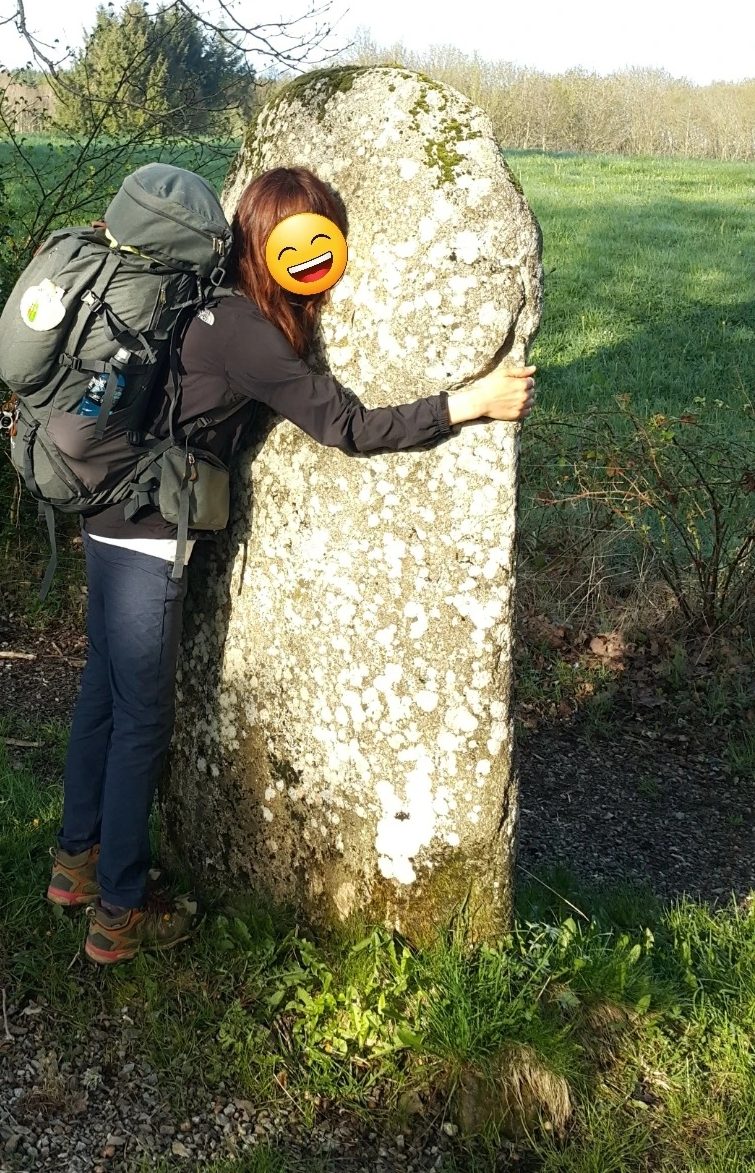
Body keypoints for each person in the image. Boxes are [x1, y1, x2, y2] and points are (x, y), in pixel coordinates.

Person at [46, 166, 535, 965]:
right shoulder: (249, 334)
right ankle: (120, 913)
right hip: (147, 534)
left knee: (102, 692)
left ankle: (75, 864)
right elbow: (350, 426)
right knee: (142, 722)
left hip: (103, 511)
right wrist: (469, 403)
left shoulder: (200, 294)